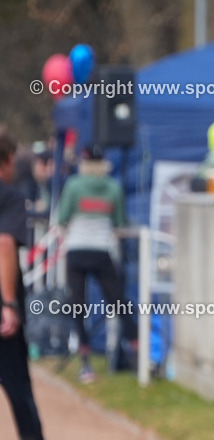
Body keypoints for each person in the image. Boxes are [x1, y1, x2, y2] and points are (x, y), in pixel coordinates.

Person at [0, 132, 66, 440]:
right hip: (2, 313)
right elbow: (5, 244)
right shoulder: (8, 195)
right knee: (20, 395)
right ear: (7, 161)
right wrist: (9, 304)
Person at [57, 145, 137, 383]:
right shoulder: (113, 187)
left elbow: (62, 218)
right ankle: (139, 355)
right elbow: (119, 221)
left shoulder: (73, 185)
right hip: (102, 250)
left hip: (76, 250)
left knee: (78, 307)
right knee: (120, 303)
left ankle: (85, 364)